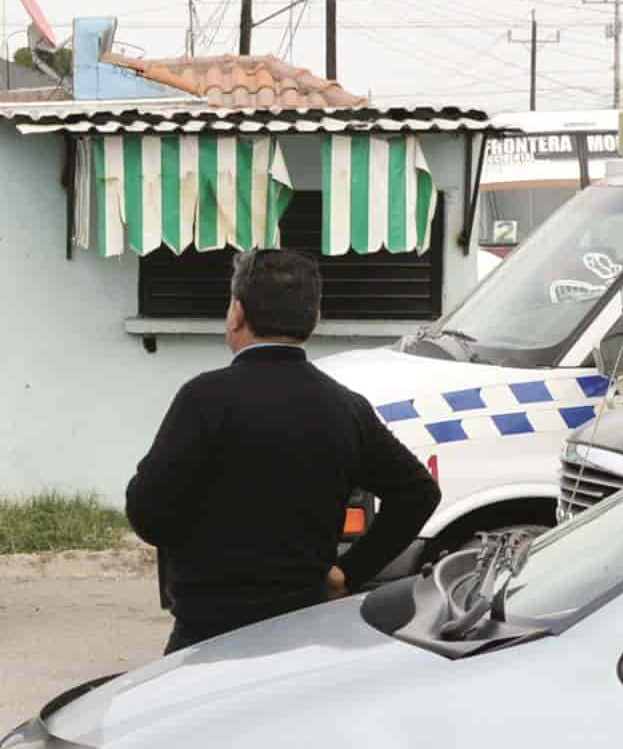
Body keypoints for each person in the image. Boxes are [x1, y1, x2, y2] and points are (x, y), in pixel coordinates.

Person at [124, 246, 441, 655]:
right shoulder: (345, 407)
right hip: (304, 634)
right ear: (314, 319)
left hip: (207, 635)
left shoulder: (203, 399)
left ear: (236, 313)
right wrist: (349, 572)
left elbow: (148, 515)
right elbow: (418, 492)